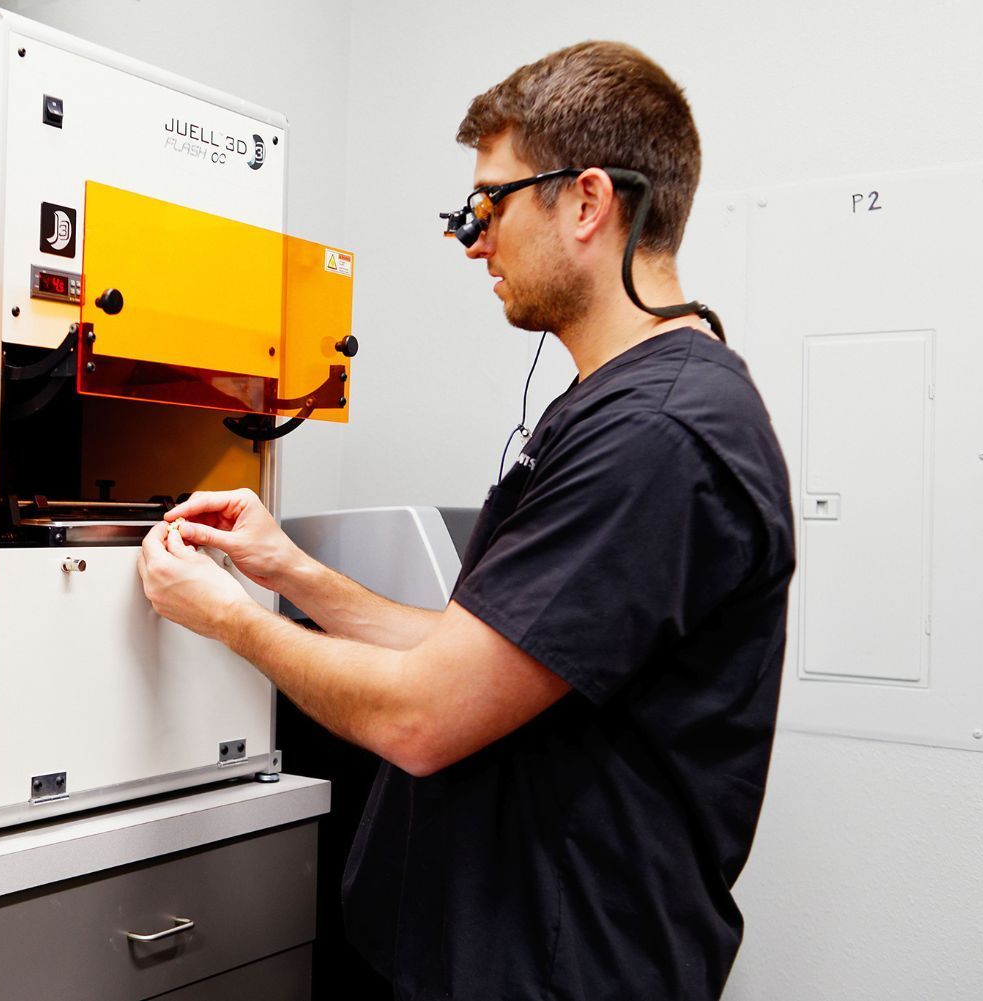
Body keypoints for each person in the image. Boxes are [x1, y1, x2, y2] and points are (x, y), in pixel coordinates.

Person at [137, 40, 795, 1001]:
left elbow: (423, 715)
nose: (472, 239)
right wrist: (289, 573)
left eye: (489, 203)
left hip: (561, 968)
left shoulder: (656, 433)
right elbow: (478, 654)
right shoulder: (619, 406)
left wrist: (229, 618)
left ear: (585, 201)